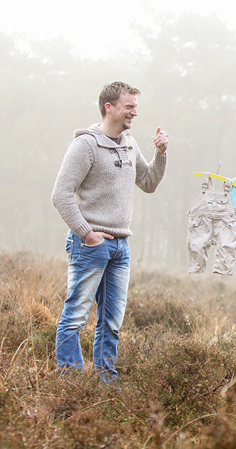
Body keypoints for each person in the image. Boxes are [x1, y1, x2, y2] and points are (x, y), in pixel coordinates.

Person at [51, 81, 169, 380]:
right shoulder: (85, 145)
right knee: (75, 317)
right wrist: (86, 233)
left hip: (120, 247)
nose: (134, 113)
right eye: (129, 107)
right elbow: (60, 195)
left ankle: (105, 383)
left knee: (112, 323)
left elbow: (148, 183)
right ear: (109, 107)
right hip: (90, 244)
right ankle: (70, 382)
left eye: (135, 108)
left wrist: (161, 153)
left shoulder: (129, 143)